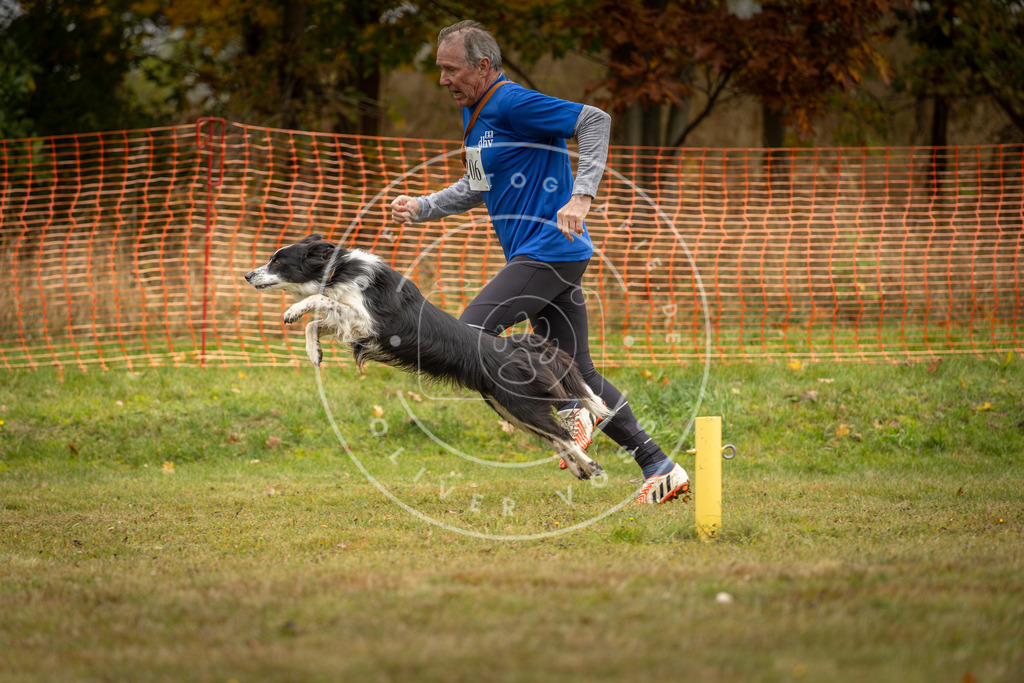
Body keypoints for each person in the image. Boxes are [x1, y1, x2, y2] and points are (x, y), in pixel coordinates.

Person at [390, 20, 688, 505]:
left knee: (472, 334)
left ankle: (573, 406)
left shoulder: (511, 101)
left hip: (548, 251)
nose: (442, 80)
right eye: (439, 70)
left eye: (450, 69)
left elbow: (595, 121)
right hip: (551, 256)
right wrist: (422, 206)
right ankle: (658, 465)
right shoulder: (476, 114)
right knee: (582, 371)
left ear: (483, 66)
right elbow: (475, 186)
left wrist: (583, 195)